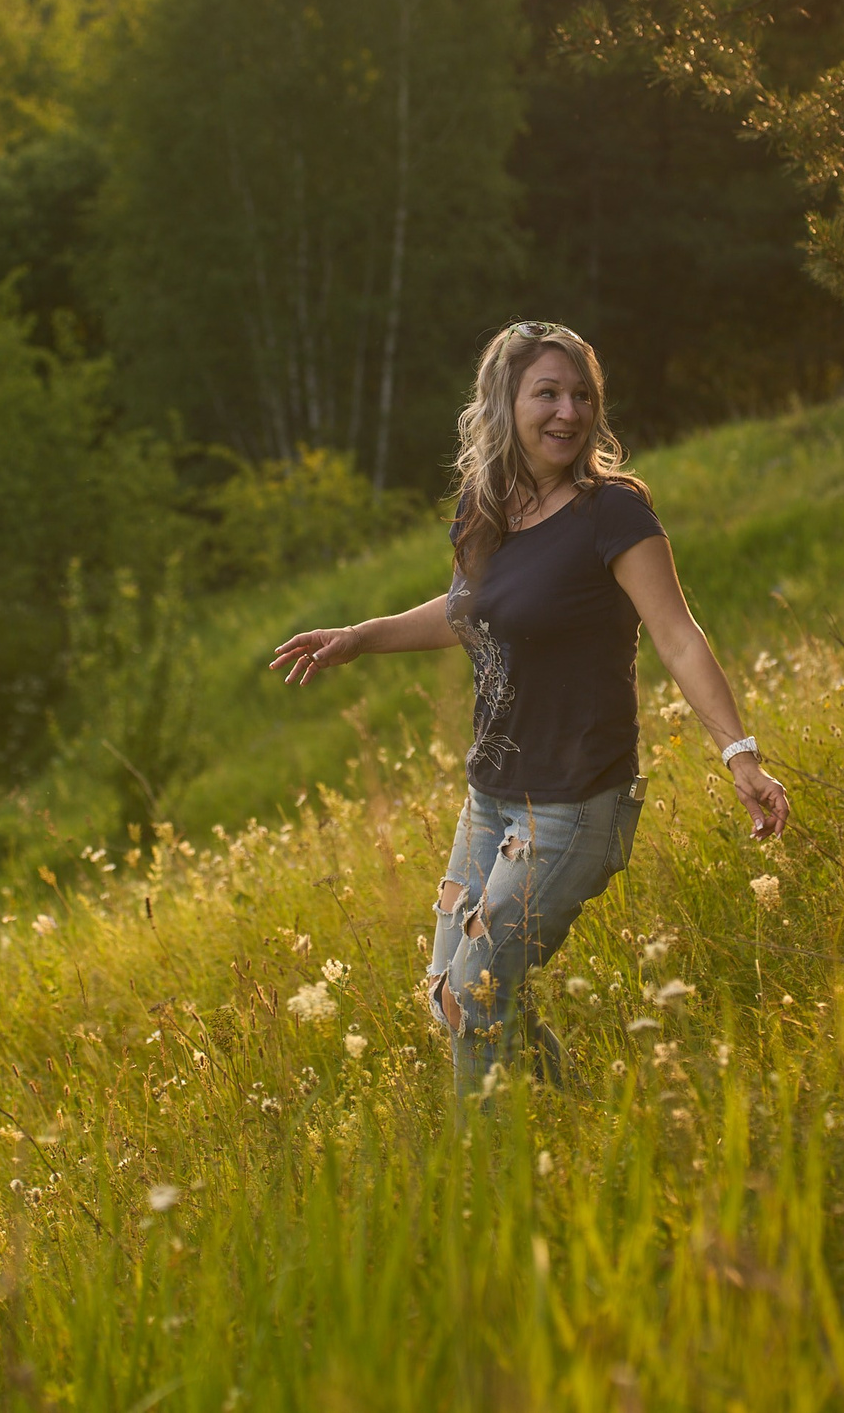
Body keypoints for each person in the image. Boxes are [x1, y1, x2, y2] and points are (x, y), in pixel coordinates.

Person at [269, 322, 789, 1095]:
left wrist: (739, 755)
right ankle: (575, 1111)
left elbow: (679, 637)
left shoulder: (612, 514)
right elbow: (468, 610)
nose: (568, 412)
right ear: (504, 404)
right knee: (452, 997)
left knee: (475, 994)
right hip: (492, 799)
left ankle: (485, 1158)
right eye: (547, 393)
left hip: (574, 804)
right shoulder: (485, 509)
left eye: (582, 395)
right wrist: (360, 637)